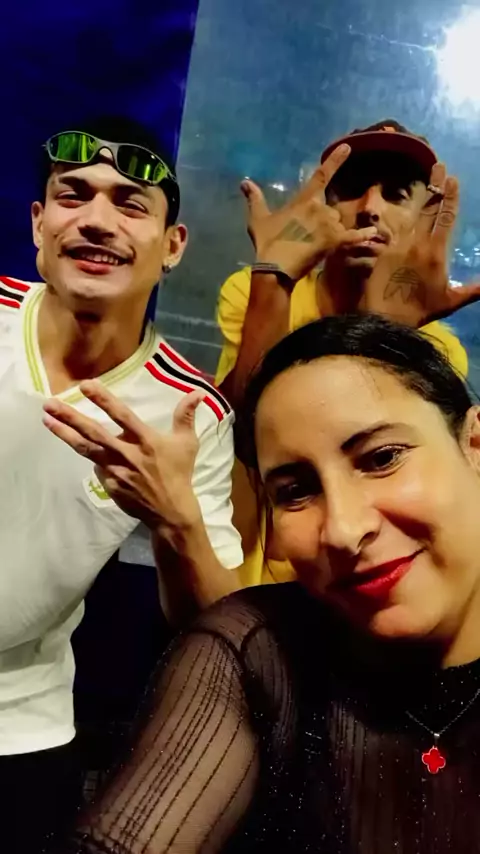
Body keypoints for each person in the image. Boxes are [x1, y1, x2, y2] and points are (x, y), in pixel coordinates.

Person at [66, 313, 480, 854]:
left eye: (382, 459)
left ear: (474, 444)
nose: (343, 530)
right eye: (295, 491)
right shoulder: (257, 654)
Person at [0, 116, 242, 852]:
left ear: (173, 246)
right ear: (38, 224)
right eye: (73, 196)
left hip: (22, 723)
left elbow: (220, 625)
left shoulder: (191, 413)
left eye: (131, 204)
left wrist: (175, 519)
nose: (97, 221)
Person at [215, 119, 480, 586]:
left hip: (360, 582)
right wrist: (272, 276)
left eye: (396, 195)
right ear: (324, 205)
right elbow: (242, 437)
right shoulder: (258, 294)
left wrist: (387, 331)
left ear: (422, 220)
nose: (370, 209)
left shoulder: (440, 350)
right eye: (353, 190)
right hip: (247, 582)